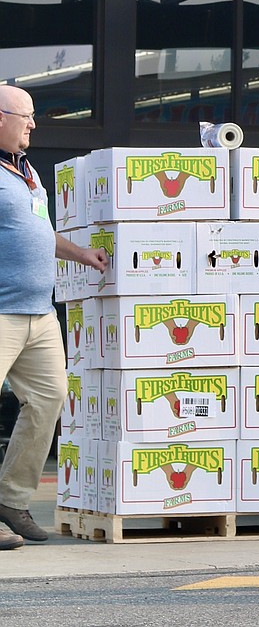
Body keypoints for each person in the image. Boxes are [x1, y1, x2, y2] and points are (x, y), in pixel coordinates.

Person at [0, 85, 108, 549]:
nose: (33, 124)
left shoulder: (26, 172)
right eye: (25, 116)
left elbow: (39, 233)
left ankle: (10, 497)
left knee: (49, 399)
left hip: (40, 314)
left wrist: (81, 253)